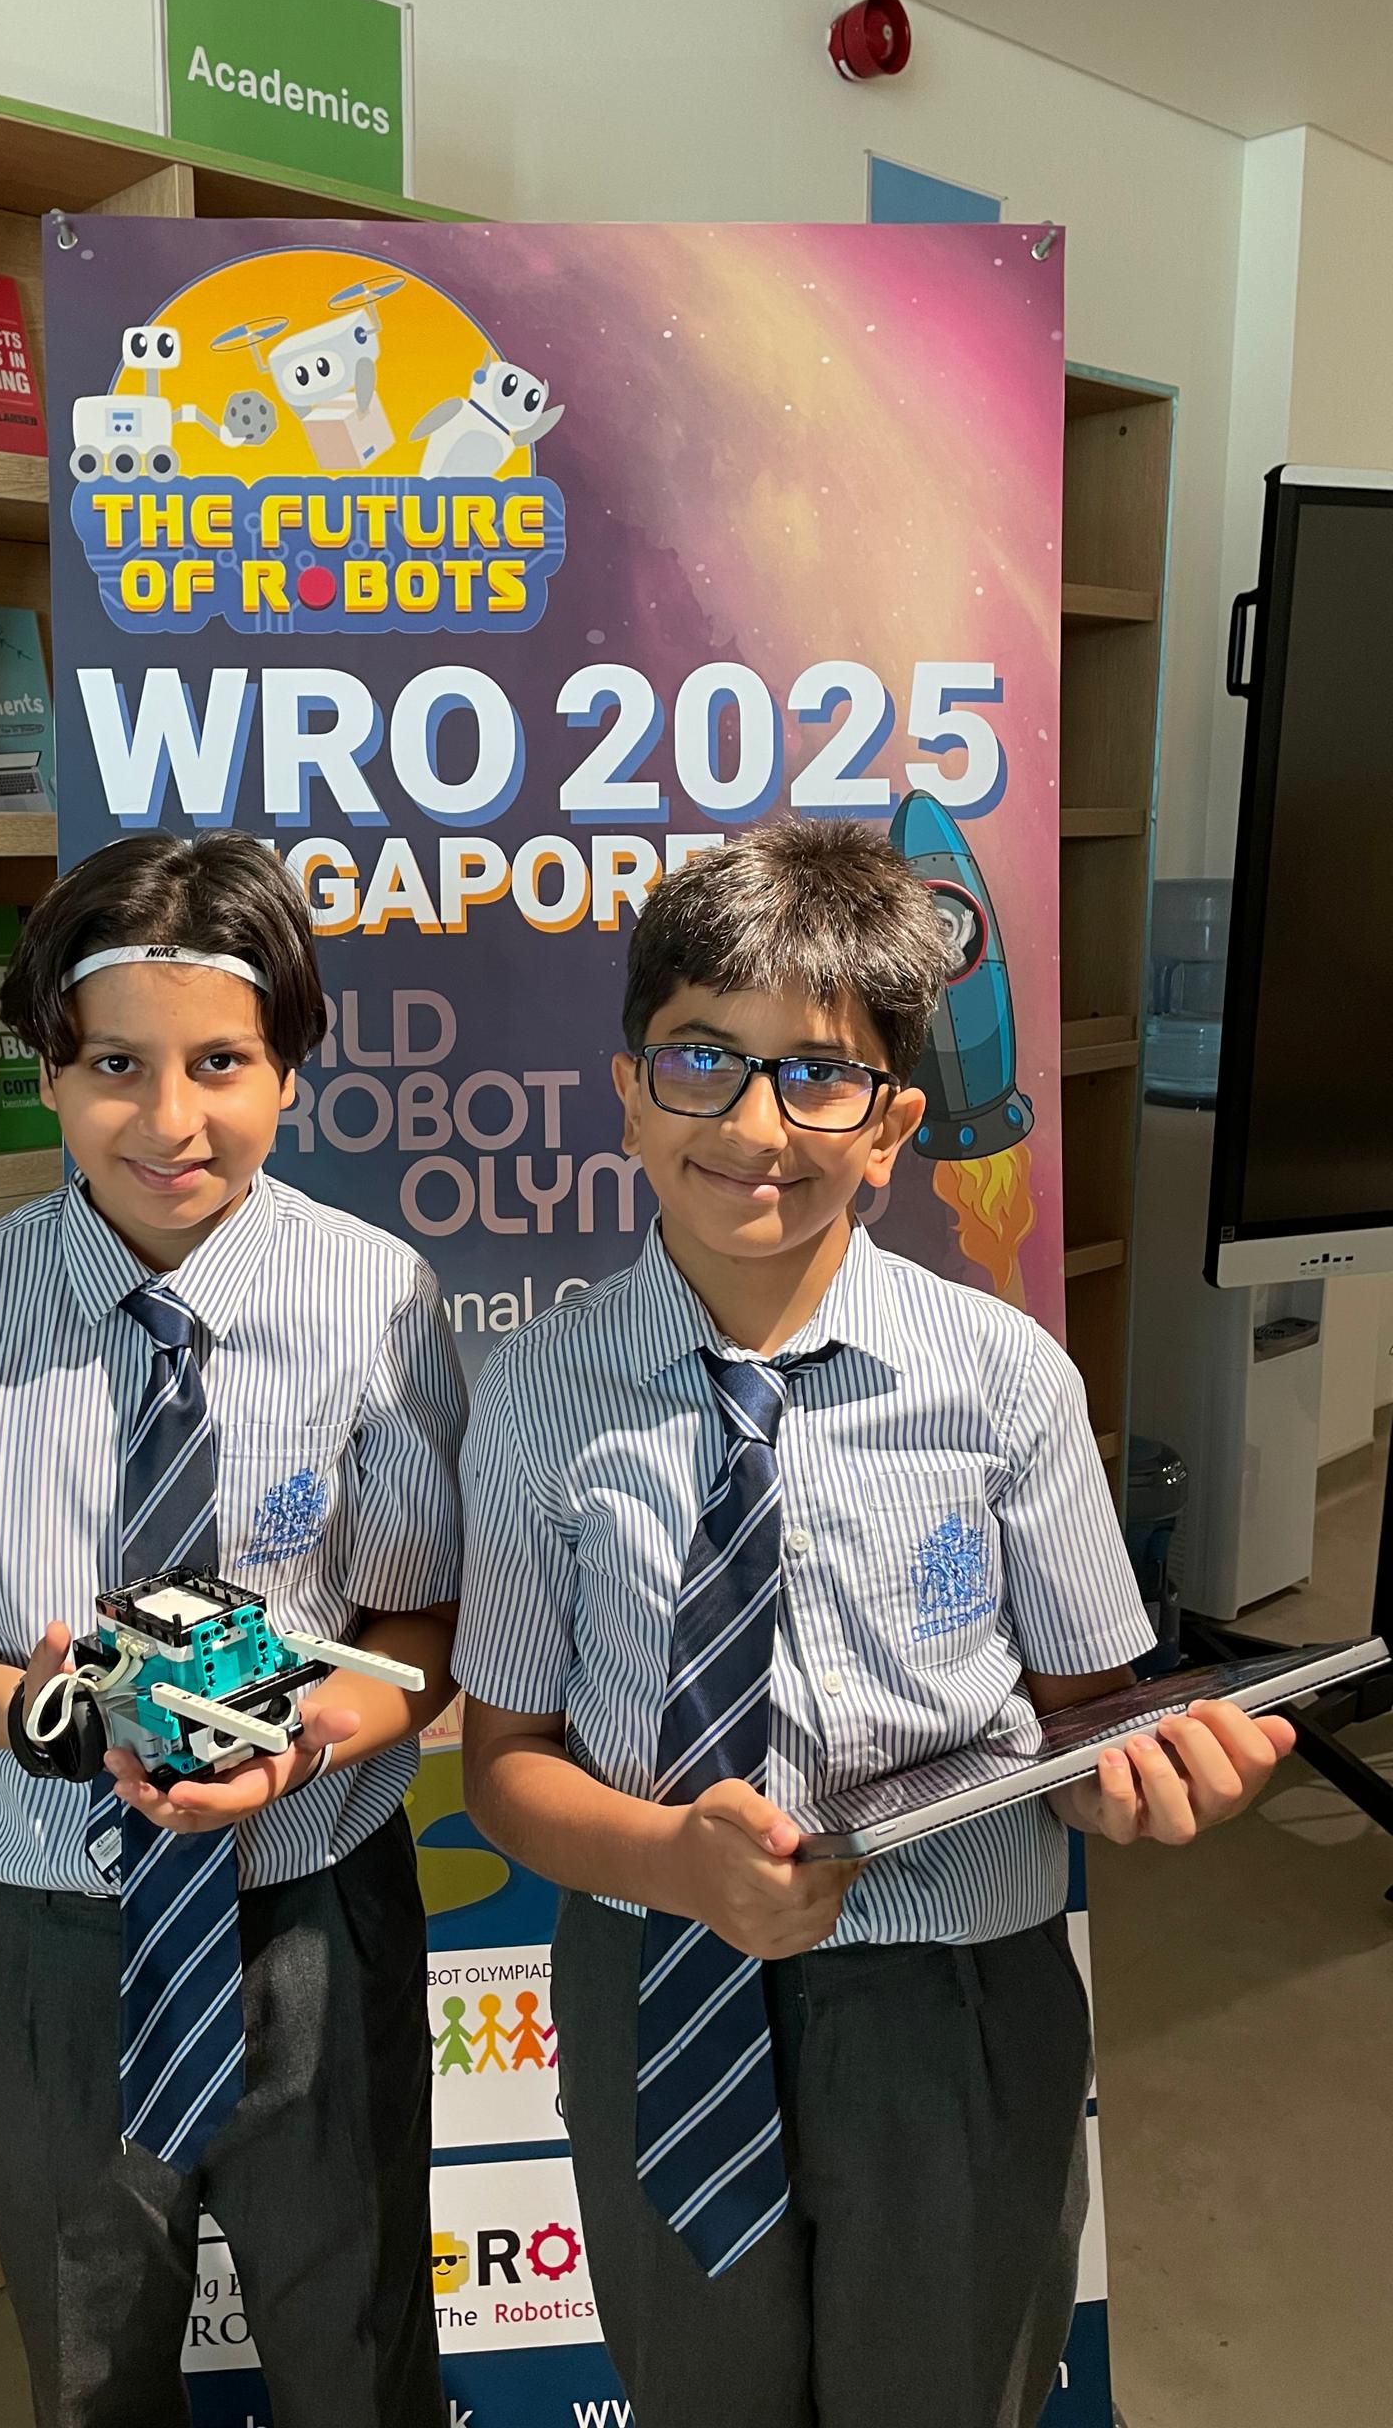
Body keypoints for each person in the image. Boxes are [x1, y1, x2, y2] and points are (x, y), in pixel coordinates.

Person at [453, 819, 1292, 2428]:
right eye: (702, 1060)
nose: (755, 1124)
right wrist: (671, 1860)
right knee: (703, 2392)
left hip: (952, 1998)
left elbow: (1084, 1710)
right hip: (657, 1978)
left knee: (947, 2386)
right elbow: (507, 1763)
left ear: (896, 1124)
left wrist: (1143, 1775)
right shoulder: (540, 1394)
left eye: (821, 1076)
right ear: (628, 1089)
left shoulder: (1003, 1377)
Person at [0, 831, 466, 2428]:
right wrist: (45, 1717)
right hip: (50, 1927)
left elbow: (419, 1624)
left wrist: (307, 1741)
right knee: (90, 2352)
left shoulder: (376, 1297)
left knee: (359, 2334)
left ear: (290, 1067)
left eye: (220, 1062)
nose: (170, 1121)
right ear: (49, 1073)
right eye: (116, 1065)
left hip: (314, 1904)